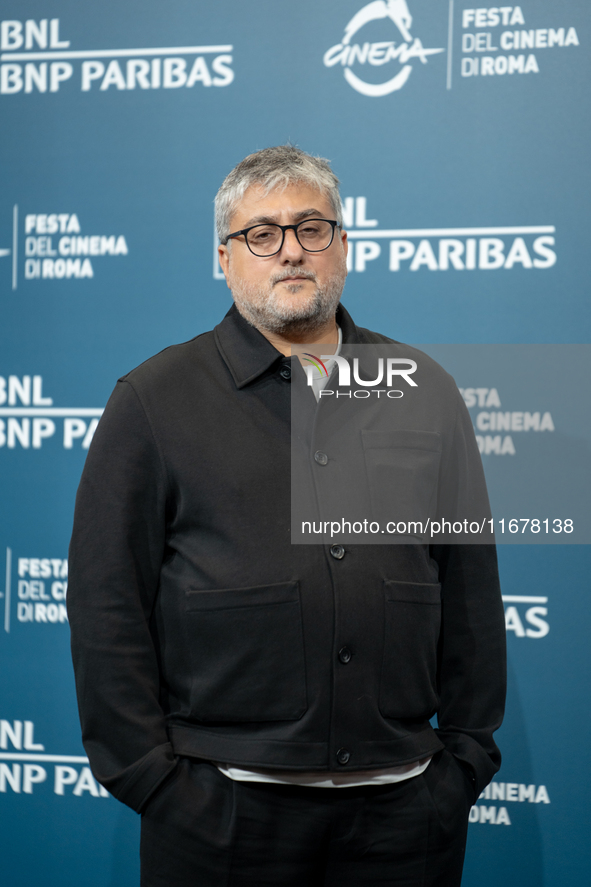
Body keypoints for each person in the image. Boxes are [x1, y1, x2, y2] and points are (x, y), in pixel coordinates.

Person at [68, 145, 506, 886]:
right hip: (220, 821)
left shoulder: (423, 389)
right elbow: (106, 605)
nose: (290, 250)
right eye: (261, 234)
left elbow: (469, 589)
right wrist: (155, 782)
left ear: (344, 246)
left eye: (311, 228)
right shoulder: (153, 399)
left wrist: (462, 761)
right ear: (225, 257)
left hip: (405, 818)